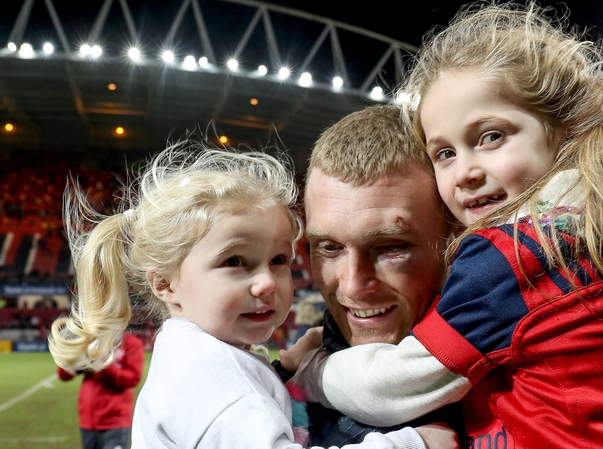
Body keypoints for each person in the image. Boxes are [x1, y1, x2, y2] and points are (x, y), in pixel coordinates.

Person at [291, 3, 603, 448]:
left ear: (565, 131)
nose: (465, 172)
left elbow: (398, 384)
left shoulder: (512, 253)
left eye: (491, 137)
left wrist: (310, 370)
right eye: (445, 153)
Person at [48, 143, 452, 449]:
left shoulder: (198, 357)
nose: (267, 283)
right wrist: (410, 443)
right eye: (235, 261)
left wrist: (282, 370)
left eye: (279, 260)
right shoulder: (218, 384)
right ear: (165, 284)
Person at [277, 105, 466, 447]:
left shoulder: (522, 386)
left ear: (455, 237)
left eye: (391, 247)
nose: (352, 286)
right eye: (329, 248)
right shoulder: (271, 395)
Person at [57, 331, 144, 449]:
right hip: (88, 419)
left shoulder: (131, 343)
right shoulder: (91, 340)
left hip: (115, 421)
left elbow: (133, 378)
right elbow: (64, 374)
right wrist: (71, 361)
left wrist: (102, 365)